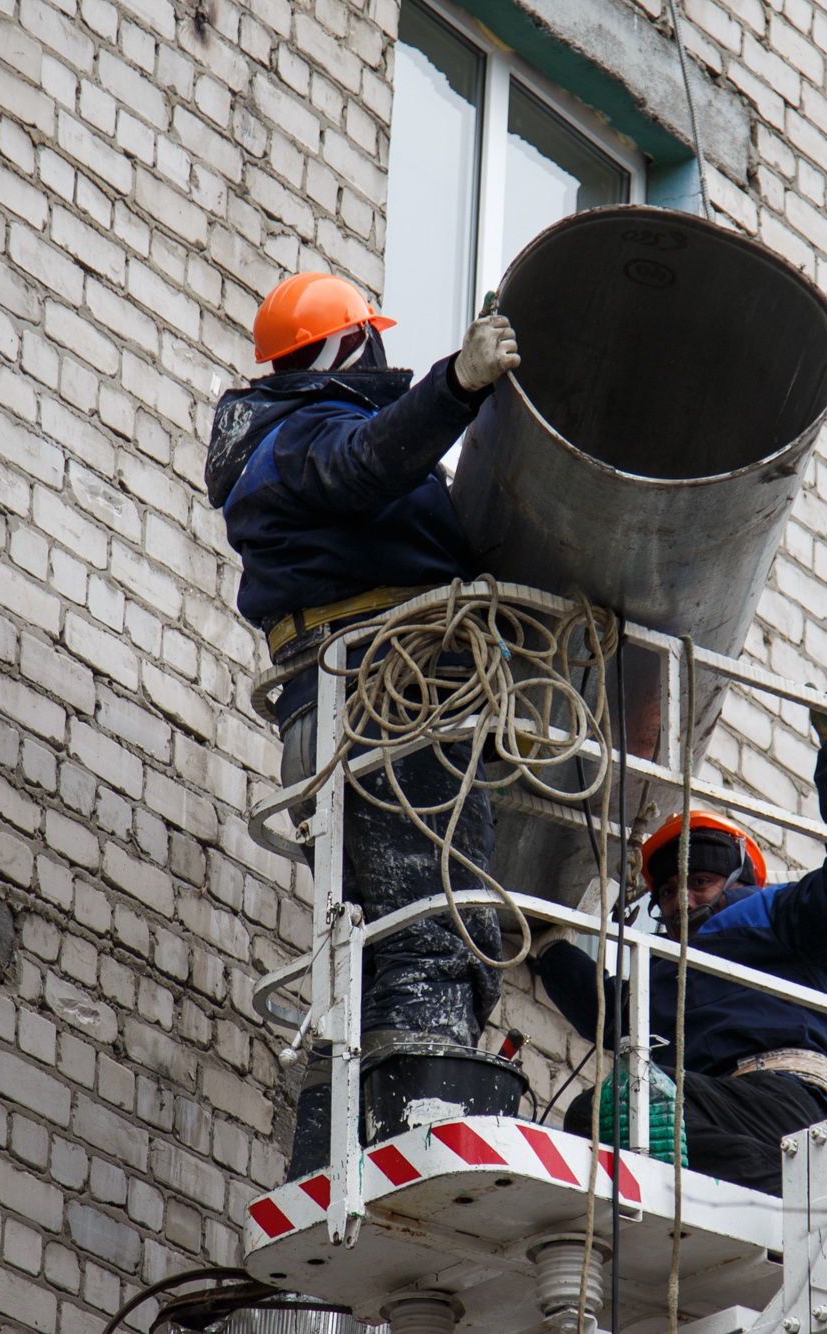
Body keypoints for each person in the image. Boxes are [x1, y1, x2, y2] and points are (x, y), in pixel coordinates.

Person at [204, 273, 520, 1173]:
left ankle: (330, 1152)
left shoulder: (291, 441)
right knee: (433, 928)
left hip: (359, 707)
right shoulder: (297, 438)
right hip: (386, 698)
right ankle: (419, 1137)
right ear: (349, 349)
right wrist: (456, 384)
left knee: (375, 950)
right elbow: (365, 461)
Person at [528, 684, 827, 1195]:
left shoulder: (781, 917)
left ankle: (797, 1193)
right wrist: (546, 941)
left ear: (738, 881)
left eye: (699, 883)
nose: (683, 901)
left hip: (784, 1101)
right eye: (670, 891)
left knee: (631, 1112)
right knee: (596, 1114)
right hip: (707, 1108)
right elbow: (608, 1012)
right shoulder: (661, 972)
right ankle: (783, 1187)